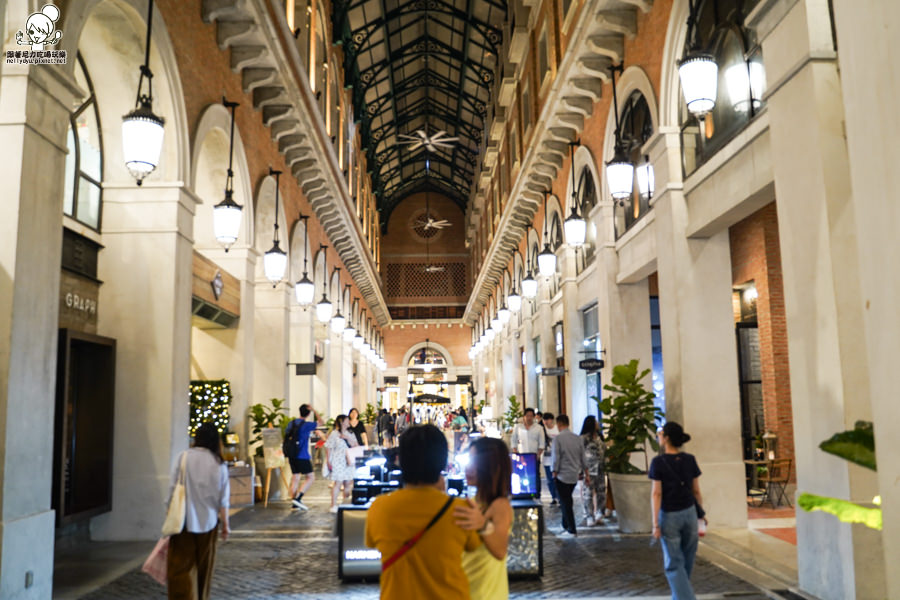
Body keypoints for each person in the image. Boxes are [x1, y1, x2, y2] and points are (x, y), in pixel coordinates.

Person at [365, 425, 481, 599]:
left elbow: (371, 542)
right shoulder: (461, 509)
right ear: (442, 461)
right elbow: (474, 545)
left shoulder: (380, 507)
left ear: (400, 460)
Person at [166, 423, 230, 600]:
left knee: (181, 570)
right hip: (209, 523)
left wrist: (169, 512)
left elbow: (172, 489)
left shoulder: (183, 457)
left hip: (183, 522)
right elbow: (223, 499)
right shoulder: (219, 463)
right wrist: (226, 525)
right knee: (204, 570)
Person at [455, 437, 514, 600]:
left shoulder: (499, 505)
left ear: (490, 467)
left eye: (475, 462)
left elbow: (500, 550)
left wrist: (483, 524)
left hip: (485, 594)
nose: (469, 468)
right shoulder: (474, 503)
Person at [650, 421, 703, 600]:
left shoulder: (658, 462)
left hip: (670, 515)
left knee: (674, 564)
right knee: (686, 561)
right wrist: (701, 514)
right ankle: (679, 596)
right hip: (689, 512)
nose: (658, 436)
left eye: (660, 434)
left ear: (666, 439)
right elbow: (696, 490)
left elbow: (656, 493)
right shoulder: (690, 459)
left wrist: (655, 523)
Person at [551, 414, 589, 537]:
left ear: (559, 424)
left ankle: (571, 528)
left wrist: (554, 471)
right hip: (573, 475)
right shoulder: (577, 438)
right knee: (567, 499)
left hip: (562, 475)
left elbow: (556, 457)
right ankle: (565, 524)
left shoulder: (558, 439)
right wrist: (585, 472)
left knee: (565, 502)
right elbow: (583, 457)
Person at [285, 404, 323, 510]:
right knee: (310, 477)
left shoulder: (291, 423)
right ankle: (298, 498)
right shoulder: (307, 425)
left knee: (295, 478)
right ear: (308, 413)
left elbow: (287, 435)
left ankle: (294, 504)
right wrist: (314, 410)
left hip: (292, 454)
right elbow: (321, 422)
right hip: (302, 455)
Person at [325, 415, 356, 513]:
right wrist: (328, 461)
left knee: (347, 483)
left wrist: (347, 437)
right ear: (342, 422)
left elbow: (356, 445)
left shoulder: (350, 433)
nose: (348, 422)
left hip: (348, 461)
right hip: (338, 461)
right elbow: (328, 447)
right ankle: (333, 505)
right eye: (347, 420)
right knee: (338, 483)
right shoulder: (334, 434)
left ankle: (345, 503)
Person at [579, 415, 606, 526]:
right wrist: (580, 471)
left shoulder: (599, 437)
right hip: (589, 469)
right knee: (588, 493)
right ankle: (589, 515)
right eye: (595, 422)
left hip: (601, 468)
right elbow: (579, 454)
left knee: (601, 492)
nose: (598, 423)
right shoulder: (584, 438)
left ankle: (600, 512)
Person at [510, 408, 544, 495]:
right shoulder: (518, 427)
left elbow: (541, 443)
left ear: (534, 417)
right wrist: (516, 453)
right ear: (524, 417)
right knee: (521, 474)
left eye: (531, 416)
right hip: (521, 456)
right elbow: (513, 441)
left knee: (535, 475)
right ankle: (523, 492)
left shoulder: (539, 428)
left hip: (534, 456)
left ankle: (537, 494)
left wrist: (538, 455)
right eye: (527, 416)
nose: (529, 418)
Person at [540, 412, 560, 505]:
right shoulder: (542, 430)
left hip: (557, 458)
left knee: (558, 478)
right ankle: (554, 497)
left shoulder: (557, 429)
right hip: (547, 458)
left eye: (547, 419)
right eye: (544, 420)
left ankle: (559, 496)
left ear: (551, 420)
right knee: (549, 480)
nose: (545, 422)